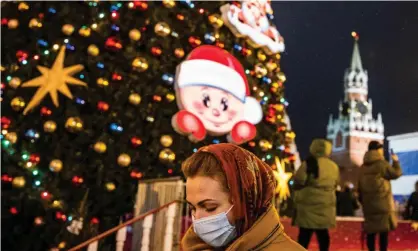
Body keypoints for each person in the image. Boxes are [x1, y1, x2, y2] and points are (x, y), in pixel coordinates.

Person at [181, 143, 305, 251]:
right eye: (193, 208)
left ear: (245, 202)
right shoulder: (194, 246)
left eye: (210, 207)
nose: (197, 219)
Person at [293, 139, 340, 251]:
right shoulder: (333, 166)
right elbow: (336, 183)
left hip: (307, 204)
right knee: (323, 234)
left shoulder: (308, 163)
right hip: (325, 205)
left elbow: (299, 180)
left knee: (304, 234)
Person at [358, 141, 402, 251]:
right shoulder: (382, 164)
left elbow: (359, 187)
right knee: (383, 233)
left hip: (368, 205)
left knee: (371, 232)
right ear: (377, 150)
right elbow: (396, 174)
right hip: (383, 203)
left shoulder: (363, 167)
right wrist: (396, 161)